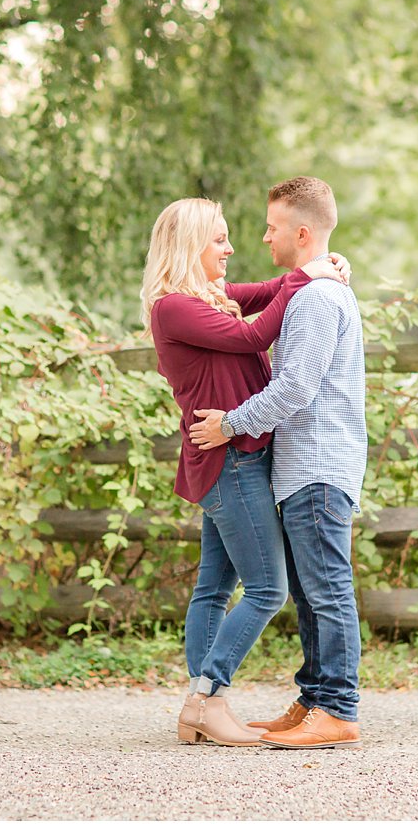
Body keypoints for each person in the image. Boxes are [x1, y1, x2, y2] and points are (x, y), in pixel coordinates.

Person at [140, 197, 349, 748]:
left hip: (233, 457)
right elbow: (255, 336)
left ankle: (201, 705)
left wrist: (316, 271)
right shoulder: (174, 308)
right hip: (229, 461)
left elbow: (269, 293)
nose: (231, 249)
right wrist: (309, 273)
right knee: (266, 588)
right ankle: (207, 695)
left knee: (214, 587)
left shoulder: (208, 297)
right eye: (219, 240)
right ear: (189, 246)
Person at [190, 175, 367, 751]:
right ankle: (315, 699)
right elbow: (253, 301)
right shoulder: (308, 290)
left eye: (271, 228)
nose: (263, 238)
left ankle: (337, 707)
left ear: (301, 232)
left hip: (318, 465)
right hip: (299, 468)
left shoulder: (317, 298)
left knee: (327, 588)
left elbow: (294, 389)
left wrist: (229, 422)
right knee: (311, 591)